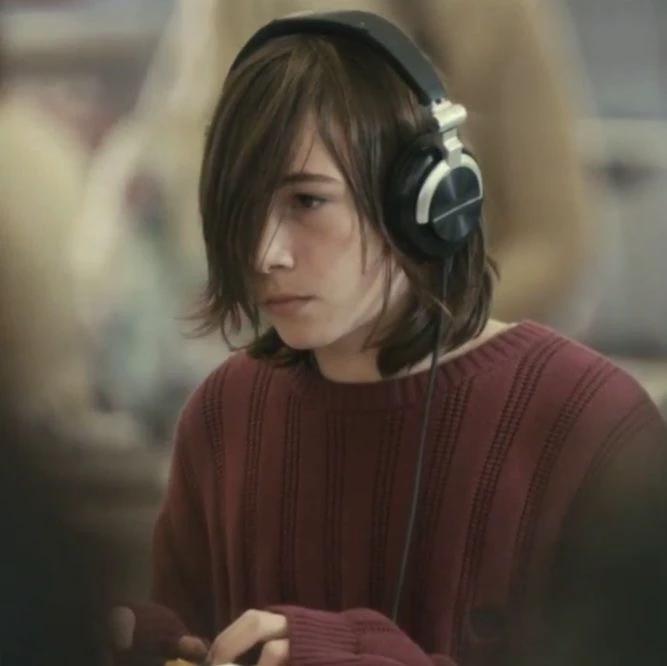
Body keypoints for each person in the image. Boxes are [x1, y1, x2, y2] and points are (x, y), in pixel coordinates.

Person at [111, 11, 667, 666]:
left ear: (428, 202)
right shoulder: (223, 415)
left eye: (307, 201)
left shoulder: (592, 426)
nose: (263, 253)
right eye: (243, 207)